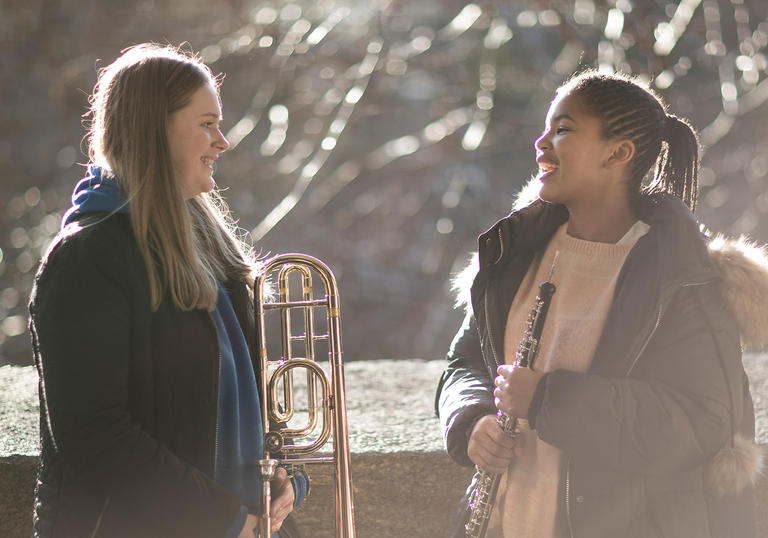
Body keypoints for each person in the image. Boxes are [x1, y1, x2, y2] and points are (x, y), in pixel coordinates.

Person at [436, 70, 766, 538]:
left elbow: (701, 423)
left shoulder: (681, 277)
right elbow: (465, 362)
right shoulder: (516, 254)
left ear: (619, 152)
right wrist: (470, 420)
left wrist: (547, 400)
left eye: (563, 129)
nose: (541, 143)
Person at [28, 43, 308, 537]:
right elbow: (96, 436)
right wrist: (224, 518)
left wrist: (287, 480)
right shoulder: (86, 259)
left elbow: (253, 411)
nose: (222, 141)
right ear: (153, 129)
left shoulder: (214, 255)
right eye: (206, 123)